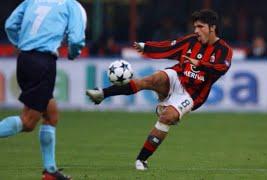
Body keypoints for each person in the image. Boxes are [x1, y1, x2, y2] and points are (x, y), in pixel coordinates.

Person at [86, 9, 233, 170]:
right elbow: (170, 47)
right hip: (177, 76)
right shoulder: (191, 41)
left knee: (167, 118)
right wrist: (147, 47)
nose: (196, 31)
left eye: (200, 27)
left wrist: (200, 64)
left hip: (192, 94)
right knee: (151, 79)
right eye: (195, 27)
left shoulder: (224, 50)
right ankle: (103, 94)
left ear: (212, 27)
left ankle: (141, 160)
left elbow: (221, 68)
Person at [2, 0, 86, 179]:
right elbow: (77, 38)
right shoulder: (70, 5)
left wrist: (21, 44)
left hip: (24, 59)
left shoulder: (31, 1)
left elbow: (10, 25)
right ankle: (50, 171)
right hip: (43, 62)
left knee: (51, 115)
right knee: (28, 121)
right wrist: (73, 53)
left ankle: (50, 171)